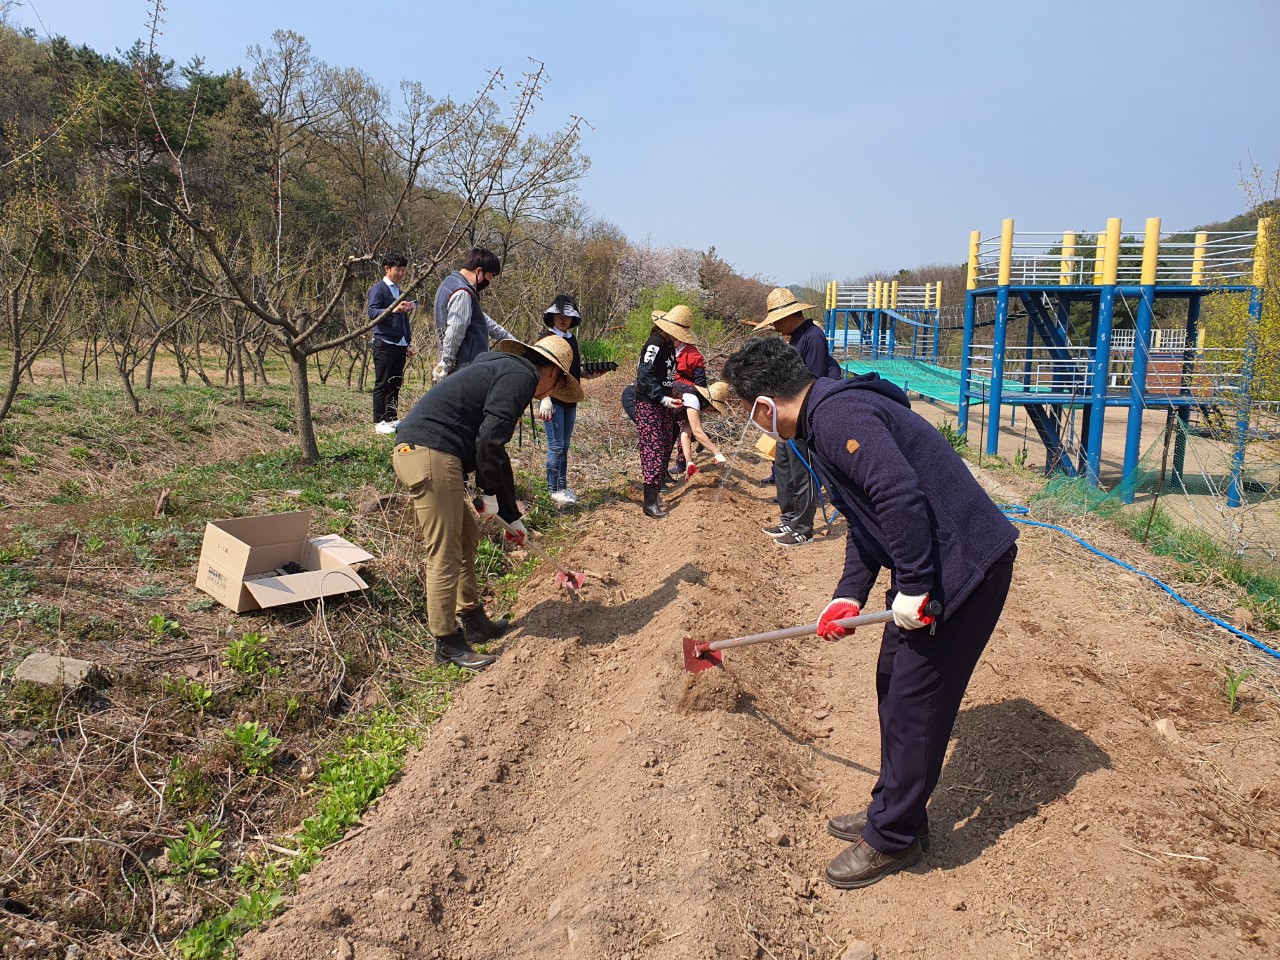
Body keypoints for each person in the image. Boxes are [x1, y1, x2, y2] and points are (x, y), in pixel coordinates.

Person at [722, 336, 1018, 891]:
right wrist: (849, 594)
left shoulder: (836, 417)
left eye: (748, 413)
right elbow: (866, 517)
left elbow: (899, 496)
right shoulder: (823, 415)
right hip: (937, 565)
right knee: (892, 682)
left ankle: (894, 837)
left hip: (965, 567)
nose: (754, 424)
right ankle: (895, 804)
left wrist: (914, 586)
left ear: (764, 405)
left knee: (915, 702)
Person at [393, 335, 583, 669]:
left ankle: (474, 620)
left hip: (433, 452)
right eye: (557, 384)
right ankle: (447, 642)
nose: (550, 393)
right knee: (445, 551)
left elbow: (495, 452)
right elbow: (490, 440)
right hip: (430, 453)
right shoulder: (521, 377)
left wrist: (511, 516)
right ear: (551, 373)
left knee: (467, 538)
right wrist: (488, 495)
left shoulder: (503, 369)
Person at [753, 287, 843, 546]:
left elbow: (812, 379)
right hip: (787, 413)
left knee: (802, 469)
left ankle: (803, 529)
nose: (774, 328)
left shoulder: (813, 337)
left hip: (803, 415)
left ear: (786, 317)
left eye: (775, 322)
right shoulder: (794, 339)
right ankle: (789, 517)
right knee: (783, 465)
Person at [633, 305, 699, 519]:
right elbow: (644, 373)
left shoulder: (669, 345)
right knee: (652, 448)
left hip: (663, 402)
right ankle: (649, 501)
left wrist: (671, 396)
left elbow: (667, 377)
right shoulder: (655, 343)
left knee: (663, 444)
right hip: (648, 403)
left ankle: (656, 492)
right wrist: (661, 397)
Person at [432, 248, 515, 380]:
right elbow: (455, 331)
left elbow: (484, 320)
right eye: (490, 277)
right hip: (465, 367)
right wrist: (446, 364)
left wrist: (510, 340)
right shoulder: (462, 292)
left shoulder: (448, 284)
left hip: (459, 366)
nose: (489, 282)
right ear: (479, 271)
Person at [536, 294, 585, 506]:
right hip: (552, 398)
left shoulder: (571, 340)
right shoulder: (546, 338)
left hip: (569, 398)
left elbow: (572, 371)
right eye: (559, 315)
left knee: (565, 445)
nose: (563, 319)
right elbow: (539, 371)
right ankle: (552, 490)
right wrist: (544, 398)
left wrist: (591, 374)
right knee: (555, 446)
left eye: (568, 316)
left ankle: (562, 486)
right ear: (552, 316)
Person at [367, 253, 416, 434]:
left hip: (399, 343)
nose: (401, 273)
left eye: (403, 270)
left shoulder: (399, 290)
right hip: (384, 341)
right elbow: (372, 312)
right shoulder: (379, 289)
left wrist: (408, 342)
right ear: (387, 269)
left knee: (396, 382)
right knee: (383, 382)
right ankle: (379, 421)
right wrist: (392, 309)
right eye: (398, 269)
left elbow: (404, 321)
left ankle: (391, 418)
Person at [669, 339, 728, 480]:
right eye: (714, 409)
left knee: (683, 431)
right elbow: (696, 431)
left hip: (679, 399)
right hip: (668, 400)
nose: (712, 412)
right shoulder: (693, 398)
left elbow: (686, 434)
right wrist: (717, 453)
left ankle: (684, 461)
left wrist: (690, 462)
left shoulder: (692, 354)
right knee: (686, 432)